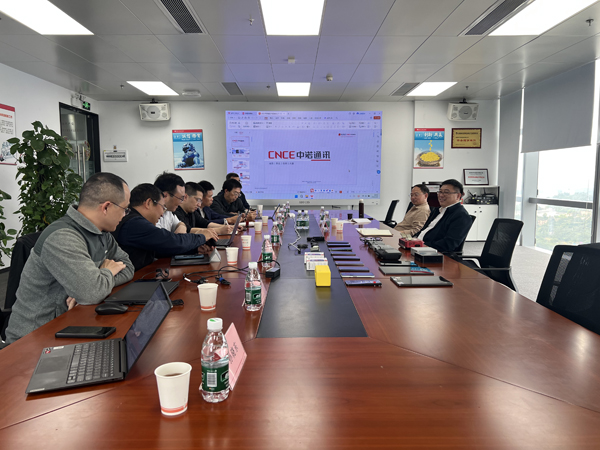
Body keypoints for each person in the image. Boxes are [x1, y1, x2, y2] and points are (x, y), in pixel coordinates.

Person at [5, 173, 135, 343]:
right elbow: (92, 292)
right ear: (106, 207)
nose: (125, 215)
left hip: (68, 324)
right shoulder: (62, 237)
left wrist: (96, 282)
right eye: (125, 209)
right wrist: (105, 273)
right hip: (33, 338)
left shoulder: (103, 234)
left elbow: (128, 268)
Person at [112, 184, 215, 272]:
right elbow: (170, 241)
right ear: (148, 203)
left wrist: (194, 249)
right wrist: (202, 237)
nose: (162, 214)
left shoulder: (135, 220)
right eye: (162, 207)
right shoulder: (134, 223)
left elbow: (160, 249)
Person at [414, 179, 473, 253]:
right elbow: (425, 230)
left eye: (446, 192)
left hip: (434, 254)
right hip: (418, 247)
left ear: (458, 196)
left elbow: (449, 244)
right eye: (440, 192)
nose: (441, 195)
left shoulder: (461, 216)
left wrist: (423, 246)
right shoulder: (437, 211)